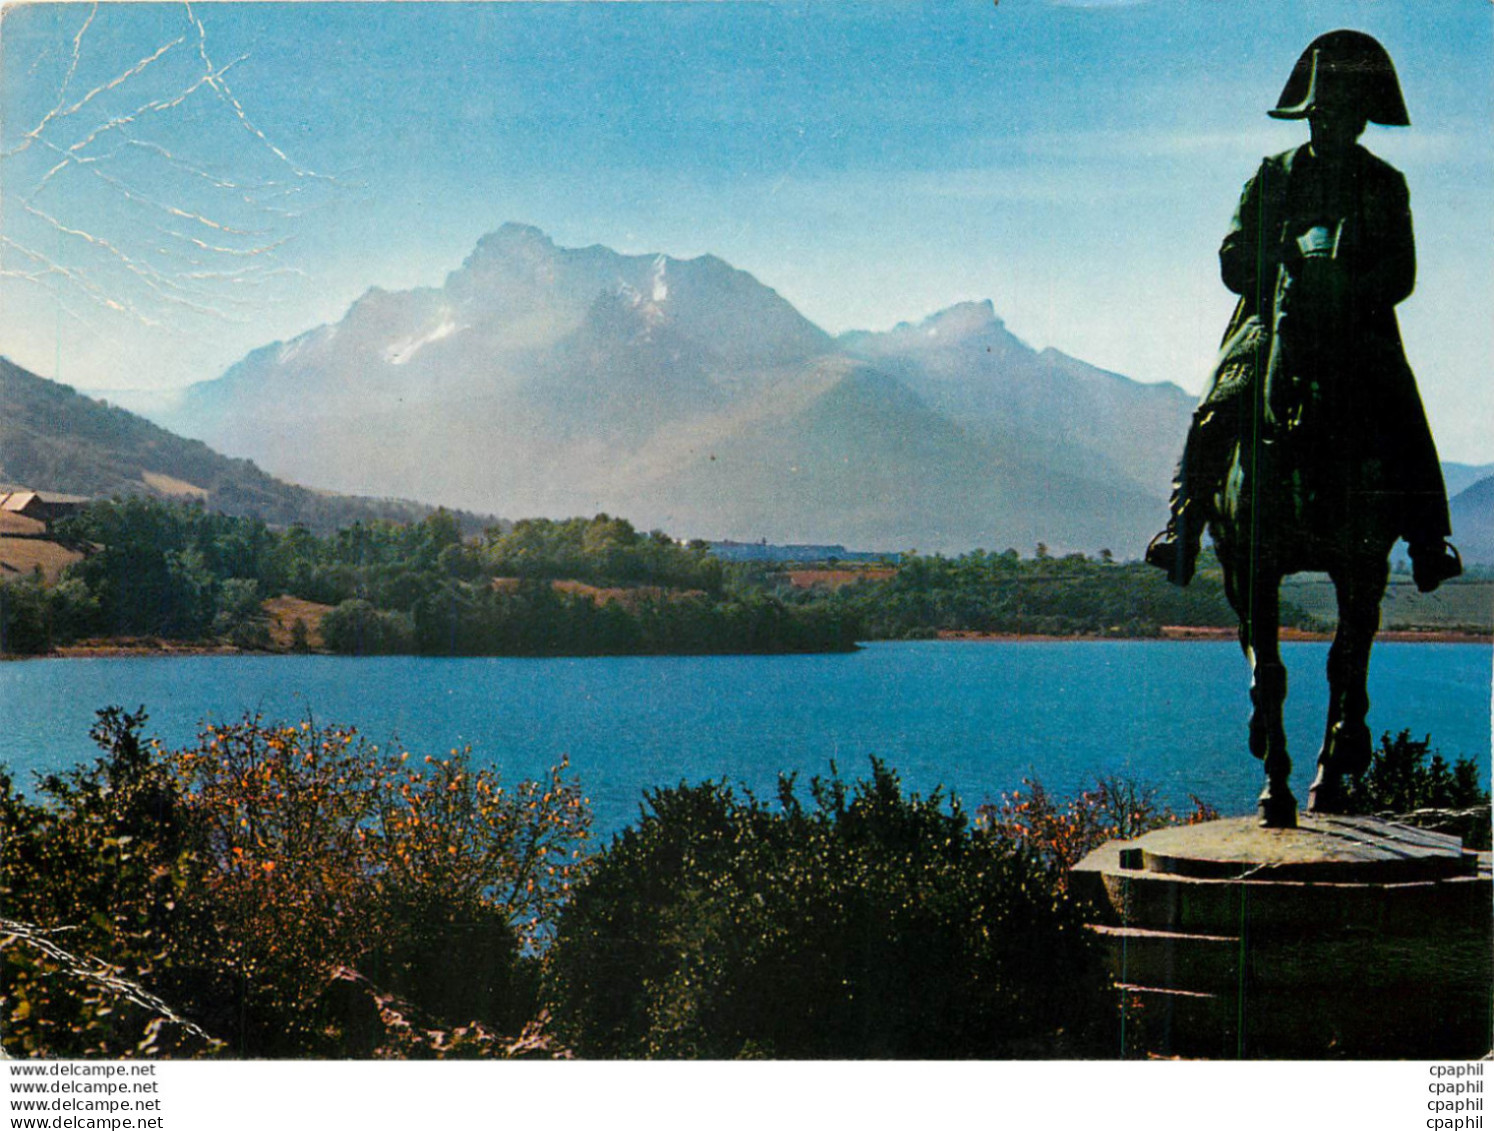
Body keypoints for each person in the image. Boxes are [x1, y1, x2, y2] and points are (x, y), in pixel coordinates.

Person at [1145, 29, 1461, 592]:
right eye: (1321, 115)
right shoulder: (1274, 176)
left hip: (1361, 326)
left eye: (1343, 115)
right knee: (1218, 400)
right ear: (1309, 117)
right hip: (1270, 320)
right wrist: (1279, 275)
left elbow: (1401, 272)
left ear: (1360, 120)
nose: (1331, 126)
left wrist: (1348, 291)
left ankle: (1427, 540)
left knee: (1402, 407)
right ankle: (1183, 525)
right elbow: (1234, 255)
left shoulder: (1385, 185)